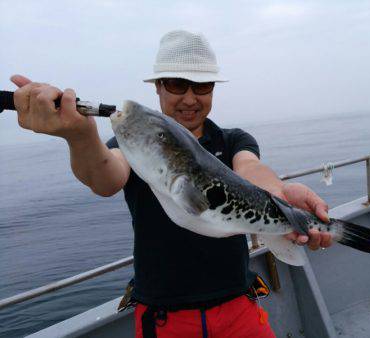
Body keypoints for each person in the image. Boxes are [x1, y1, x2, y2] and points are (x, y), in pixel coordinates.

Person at [11, 30, 333, 338]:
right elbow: (104, 178)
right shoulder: (137, 145)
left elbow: (251, 168)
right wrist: (79, 136)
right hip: (164, 317)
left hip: (239, 305)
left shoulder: (232, 140)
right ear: (158, 87)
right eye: (178, 85)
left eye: (202, 86)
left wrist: (277, 192)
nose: (190, 99)